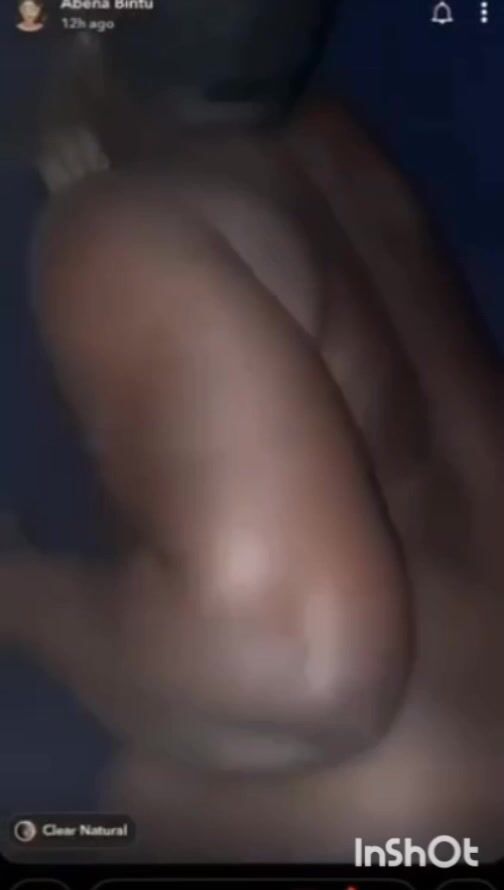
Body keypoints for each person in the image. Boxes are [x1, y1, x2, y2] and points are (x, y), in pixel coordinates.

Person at [1, 1, 503, 861]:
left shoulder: (134, 224)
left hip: (368, 818)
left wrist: (15, 591)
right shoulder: (330, 148)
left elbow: (296, 673)